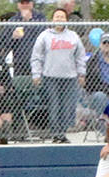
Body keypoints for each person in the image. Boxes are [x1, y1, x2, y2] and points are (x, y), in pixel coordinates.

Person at [31, 8, 87, 144]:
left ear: (66, 20)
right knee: (54, 106)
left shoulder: (73, 36)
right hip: (50, 77)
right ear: (52, 19)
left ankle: (63, 132)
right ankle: (56, 133)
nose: (59, 19)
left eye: (62, 17)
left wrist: (81, 73)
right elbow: (36, 56)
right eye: (57, 16)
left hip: (70, 77)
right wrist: (36, 74)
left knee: (67, 107)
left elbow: (80, 56)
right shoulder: (44, 35)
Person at [83, 33, 109, 118]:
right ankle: (103, 124)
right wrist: (107, 88)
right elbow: (89, 84)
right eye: (104, 43)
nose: (106, 45)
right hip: (99, 93)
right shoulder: (93, 61)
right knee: (100, 96)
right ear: (100, 45)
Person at [6, 0, 46, 77]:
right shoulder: (13, 20)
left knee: (39, 86)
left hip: (39, 61)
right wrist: (13, 37)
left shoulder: (40, 17)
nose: (25, 5)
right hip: (20, 62)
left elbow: (43, 35)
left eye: (27, 2)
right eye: (22, 3)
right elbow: (6, 43)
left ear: (32, 3)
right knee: (20, 86)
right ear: (18, 5)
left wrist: (29, 21)